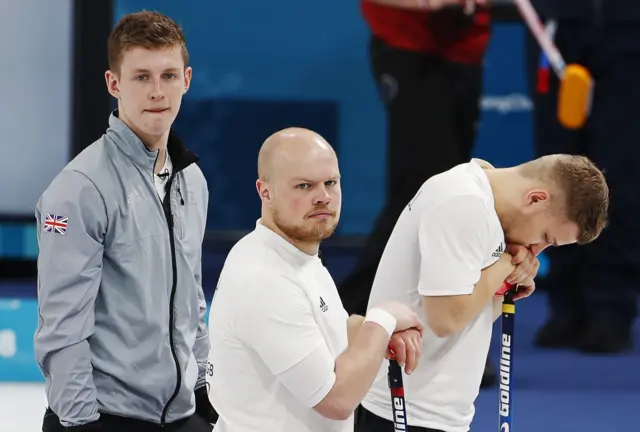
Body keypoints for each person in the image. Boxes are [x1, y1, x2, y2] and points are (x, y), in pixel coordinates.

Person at [34, 11, 217, 432]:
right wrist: (81, 423)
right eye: (141, 77)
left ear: (186, 80)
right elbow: (62, 328)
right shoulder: (80, 188)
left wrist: (204, 387)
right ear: (114, 84)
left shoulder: (192, 179)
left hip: (181, 413)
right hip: (103, 417)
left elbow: (192, 296)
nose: (157, 91)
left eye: (169, 75)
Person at [354, 156, 609, 432]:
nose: (538, 249)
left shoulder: (484, 199)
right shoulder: (464, 203)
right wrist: (505, 264)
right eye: (546, 237)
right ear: (536, 199)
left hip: (440, 412)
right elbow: (446, 319)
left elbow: (468, 316)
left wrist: (504, 288)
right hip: (403, 412)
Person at [206, 127, 424, 432]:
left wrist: (376, 333)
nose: (323, 197)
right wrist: (383, 319)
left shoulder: (293, 254)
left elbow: (325, 329)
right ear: (264, 192)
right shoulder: (265, 280)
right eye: (304, 186)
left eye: (331, 183)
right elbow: (336, 400)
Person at [340, 0, 498, 386]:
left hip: (466, 49)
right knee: (422, 195)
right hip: (410, 47)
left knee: (444, 189)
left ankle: (357, 318)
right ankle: (348, 318)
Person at [527, 0, 640, 353]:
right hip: (557, 24)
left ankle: (610, 307)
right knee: (558, 169)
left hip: (628, 25)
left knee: (619, 169)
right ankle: (566, 303)